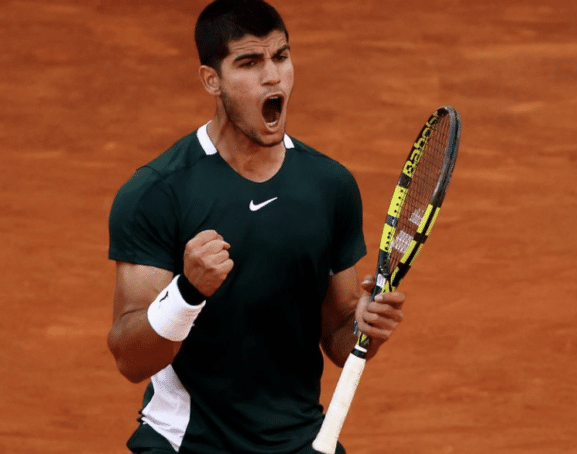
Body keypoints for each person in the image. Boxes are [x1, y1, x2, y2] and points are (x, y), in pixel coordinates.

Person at [106, 1, 406, 452]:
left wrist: (366, 328)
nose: (273, 77)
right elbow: (131, 359)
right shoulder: (157, 192)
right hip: (189, 442)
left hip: (301, 440)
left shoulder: (329, 186)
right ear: (212, 80)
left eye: (280, 57)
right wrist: (188, 292)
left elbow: (341, 338)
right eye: (249, 62)